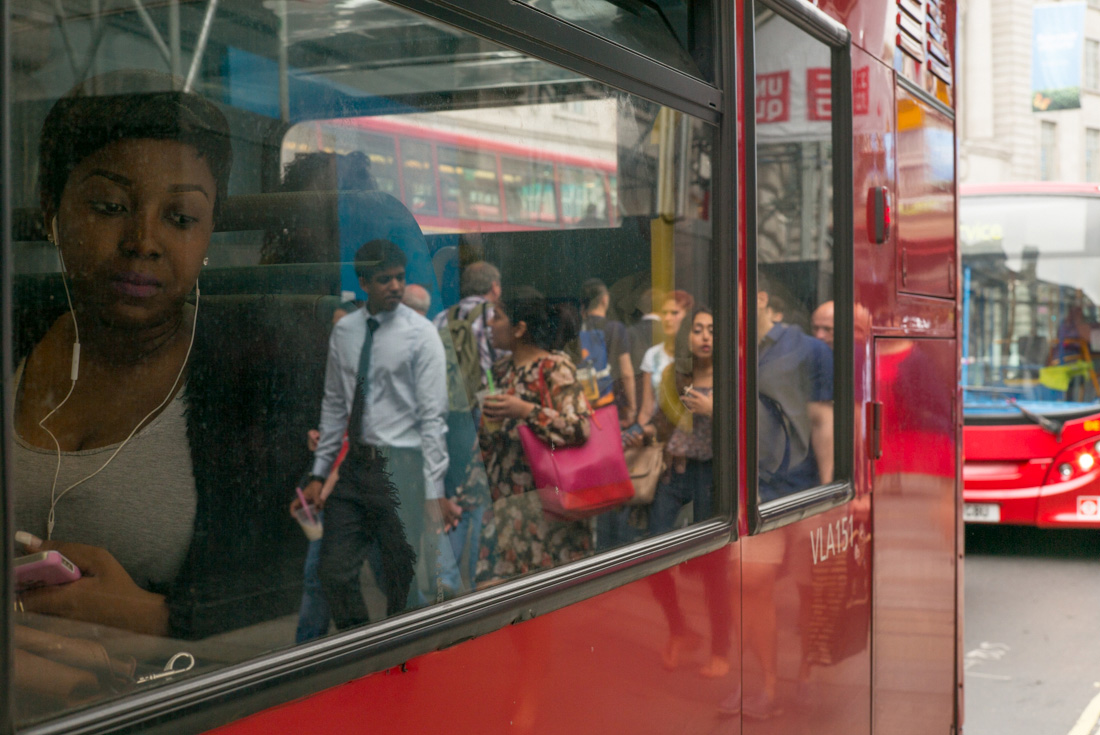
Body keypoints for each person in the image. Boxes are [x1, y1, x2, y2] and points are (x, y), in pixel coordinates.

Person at [13, 72, 323, 640]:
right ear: (48, 209)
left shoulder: (262, 378)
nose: (143, 241)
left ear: (208, 236)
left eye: (180, 218)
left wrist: (161, 620)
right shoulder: (13, 336)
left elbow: (334, 580)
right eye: (109, 206)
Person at [299, 239, 459, 627]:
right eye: (384, 279)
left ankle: (400, 666)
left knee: (399, 583)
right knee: (334, 572)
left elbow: (433, 418)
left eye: (400, 278)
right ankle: (359, 648)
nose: (395, 287)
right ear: (364, 282)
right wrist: (320, 474)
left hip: (403, 467)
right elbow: (335, 407)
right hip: (357, 467)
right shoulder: (347, 332)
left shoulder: (421, 335)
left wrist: (434, 490)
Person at [476, 286, 593, 587]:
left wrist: (526, 410)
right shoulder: (498, 371)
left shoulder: (555, 367)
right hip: (504, 507)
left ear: (519, 328)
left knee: (552, 602)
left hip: (549, 507)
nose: (490, 324)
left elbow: (580, 427)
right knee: (492, 595)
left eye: (497, 317)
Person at [432, 261, 505, 592]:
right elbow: (503, 359)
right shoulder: (493, 316)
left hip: (449, 412)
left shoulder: (441, 318)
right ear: (494, 287)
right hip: (483, 407)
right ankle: (480, 578)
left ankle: (444, 576)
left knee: (454, 492)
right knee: (482, 497)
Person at [756, 278, 834, 502]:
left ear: (762, 299)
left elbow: (822, 421)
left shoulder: (809, 349)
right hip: (744, 485)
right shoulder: (731, 350)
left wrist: (827, 490)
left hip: (792, 484)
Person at [648, 307, 715, 534]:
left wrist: (712, 410)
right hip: (676, 465)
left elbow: (746, 424)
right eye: (698, 330)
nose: (705, 337)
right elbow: (660, 414)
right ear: (688, 336)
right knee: (658, 532)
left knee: (707, 534)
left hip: (712, 470)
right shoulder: (674, 372)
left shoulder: (730, 372)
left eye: (712, 330)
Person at [633, 290, 694, 442]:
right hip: (663, 436)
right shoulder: (652, 355)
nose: (667, 318)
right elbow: (647, 409)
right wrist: (639, 432)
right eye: (664, 312)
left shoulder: (700, 353)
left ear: (687, 317)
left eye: (674, 313)